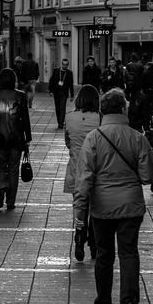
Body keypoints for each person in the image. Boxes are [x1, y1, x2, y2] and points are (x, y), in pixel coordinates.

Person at [74, 88, 153, 304]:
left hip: (101, 207)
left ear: (102, 110)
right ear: (123, 109)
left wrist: (80, 211)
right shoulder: (137, 137)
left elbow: (84, 178)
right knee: (129, 253)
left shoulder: (93, 138)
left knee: (104, 255)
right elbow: (148, 176)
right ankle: (129, 303)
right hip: (130, 205)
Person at [0, 67, 32, 211]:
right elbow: (25, 119)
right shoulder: (21, 96)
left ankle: (2, 188)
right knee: (13, 169)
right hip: (16, 139)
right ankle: (10, 201)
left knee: (0, 166)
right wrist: (27, 138)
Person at [63, 84, 101, 261]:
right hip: (96, 169)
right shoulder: (100, 119)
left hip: (76, 169)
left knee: (79, 206)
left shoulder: (69, 118)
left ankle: (79, 235)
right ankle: (94, 244)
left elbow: (68, 142)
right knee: (95, 207)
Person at [130, 56, 153, 131]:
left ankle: (147, 121)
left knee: (146, 107)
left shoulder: (145, 73)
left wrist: (142, 89)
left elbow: (142, 82)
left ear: (148, 66)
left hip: (147, 92)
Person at [48, 57, 75, 128]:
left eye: (66, 65)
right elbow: (51, 81)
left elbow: (71, 84)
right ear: (61, 64)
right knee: (57, 108)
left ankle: (61, 123)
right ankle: (59, 121)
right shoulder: (56, 71)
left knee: (62, 108)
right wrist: (50, 91)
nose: (64, 66)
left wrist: (72, 95)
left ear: (68, 65)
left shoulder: (69, 73)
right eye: (63, 64)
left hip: (64, 93)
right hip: (56, 92)